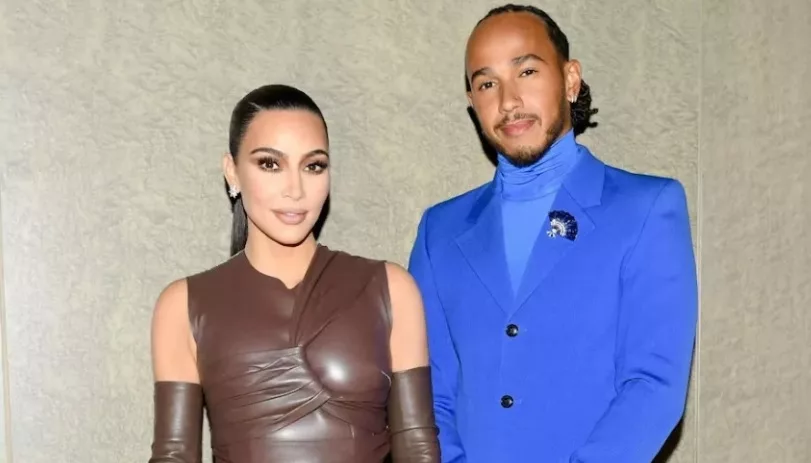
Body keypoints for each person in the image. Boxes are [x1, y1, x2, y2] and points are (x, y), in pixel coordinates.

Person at [408, 5, 698, 463]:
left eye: (526, 71)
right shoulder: (438, 232)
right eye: (487, 83)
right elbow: (427, 396)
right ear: (472, 102)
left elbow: (654, 385)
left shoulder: (647, 207)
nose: (508, 101)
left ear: (570, 79)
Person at [147, 84, 440, 462]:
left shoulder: (391, 288)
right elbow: (174, 456)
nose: (295, 190)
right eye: (270, 164)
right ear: (232, 172)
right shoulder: (184, 305)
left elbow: (418, 449)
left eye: (313, 166)